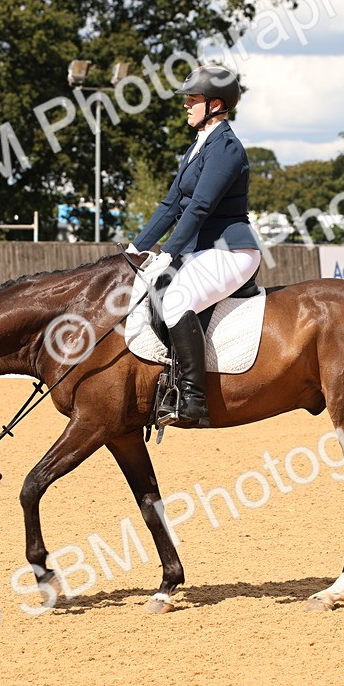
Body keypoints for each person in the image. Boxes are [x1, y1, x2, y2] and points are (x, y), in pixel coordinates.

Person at [126, 65, 262, 428]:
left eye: (192, 99)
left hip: (231, 251)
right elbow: (171, 205)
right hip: (202, 249)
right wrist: (135, 247)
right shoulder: (199, 146)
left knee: (175, 300)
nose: (186, 105)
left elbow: (200, 207)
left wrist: (168, 251)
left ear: (215, 104)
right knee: (149, 292)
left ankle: (193, 401)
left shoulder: (227, 148)